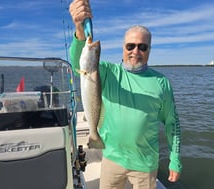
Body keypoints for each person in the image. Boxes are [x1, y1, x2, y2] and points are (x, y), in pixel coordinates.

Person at [69, 0, 182, 188]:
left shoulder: (162, 83)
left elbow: (172, 123)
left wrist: (175, 158)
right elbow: (77, 63)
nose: (136, 51)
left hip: (145, 164)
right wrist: (80, 30)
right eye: (130, 46)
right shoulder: (105, 72)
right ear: (123, 47)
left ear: (149, 50)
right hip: (112, 158)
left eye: (142, 47)